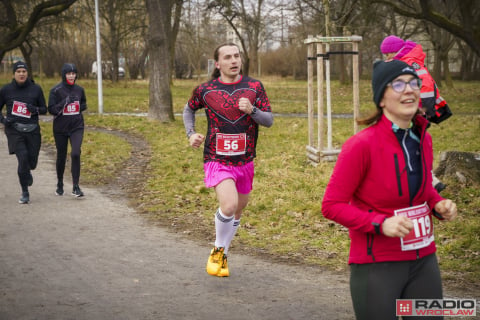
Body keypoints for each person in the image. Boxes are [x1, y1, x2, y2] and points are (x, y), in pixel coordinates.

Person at [321, 60, 457, 320]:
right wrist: (380, 224)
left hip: (424, 258)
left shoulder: (423, 138)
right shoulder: (360, 146)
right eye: (398, 84)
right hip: (377, 263)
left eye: (413, 83)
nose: (409, 90)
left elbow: (422, 187)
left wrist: (438, 204)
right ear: (381, 98)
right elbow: (331, 205)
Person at [183, 43, 273, 277]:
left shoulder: (254, 87)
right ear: (218, 64)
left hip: (245, 160)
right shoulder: (205, 89)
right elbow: (188, 109)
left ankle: (222, 254)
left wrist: (252, 110)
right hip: (217, 157)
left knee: (238, 210)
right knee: (229, 205)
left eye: (236, 56)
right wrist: (191, 133)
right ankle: (218, 250)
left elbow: (269, 120)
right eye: (228, 57)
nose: (234, 60)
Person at [380, 35, 453, 192]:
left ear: (395, 51)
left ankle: (429, 182)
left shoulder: (411, 62)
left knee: (407, 148)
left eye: (388, 54)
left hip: (415, 114)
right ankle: (428, 182)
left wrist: (421, 110)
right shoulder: (403, 62)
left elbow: (425, 86)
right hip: (407, 112)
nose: (387, 57)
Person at [0, 61, 47, 204]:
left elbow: (44, 109)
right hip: (14, 131)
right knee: (23, 157)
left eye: (24, 71)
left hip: (33, 130)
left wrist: (36, 110)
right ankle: (25, 192)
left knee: (31, 163)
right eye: (18, 71)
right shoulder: (6, 90)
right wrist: (3, 120)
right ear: (14, 74)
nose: (21, 74)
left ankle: (27, 172)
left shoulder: (36, 89)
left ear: (27, 73)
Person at [48, 63, 87, 197]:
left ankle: (76, 186)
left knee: (76, 153)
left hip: (77, 126)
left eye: (73, 73)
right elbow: (51, 109)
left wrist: (77, 106)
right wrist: (65, 102)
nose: (71, 76)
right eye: (69, 73)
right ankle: (60, 182)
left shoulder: (79, 90)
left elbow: (84, 104)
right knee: (61, 155)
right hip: (60, 128)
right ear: (64, 75)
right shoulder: (56, 90)